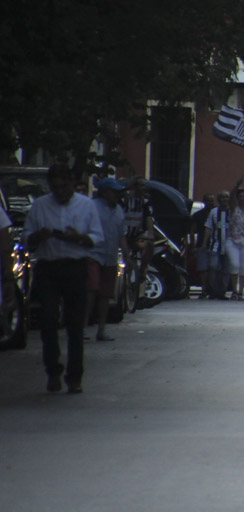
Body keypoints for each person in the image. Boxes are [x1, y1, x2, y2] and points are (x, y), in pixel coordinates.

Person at [24, 163, 104, 393]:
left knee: (75, 325)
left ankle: (75, 376)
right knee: (48, 321)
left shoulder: (86, 205)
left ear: (72, 184)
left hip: (74, 266)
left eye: (64, 186)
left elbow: (96, 238)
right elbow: (28, 239)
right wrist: (39, 236)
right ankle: (53, 371)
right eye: (55, 187)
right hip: (48, 268)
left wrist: (78, 238)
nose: (60, 191)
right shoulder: (40, 206)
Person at [86, 177, 130, 342]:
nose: (117, 195)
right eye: (114, 192)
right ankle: (83, 326)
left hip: (110, 256)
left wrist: (127, 255)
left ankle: (101, 329)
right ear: (104, 193)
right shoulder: (93, 207)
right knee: (91, 289)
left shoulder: (119, 210)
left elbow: (122, 235)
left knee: (105, 294)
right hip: (94, 254)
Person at [224, 187, 244, 300]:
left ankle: (240, 292)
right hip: (233, 240)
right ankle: (234, 290)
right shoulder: (234, 209)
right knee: (234, 264)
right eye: (240, 196)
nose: (242, 199)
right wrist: (236, 187)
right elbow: (231, 198)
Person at [199, 191, 231, 299]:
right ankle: (213, 290)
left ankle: (222, 291)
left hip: (229, 246)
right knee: (213, 267)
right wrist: (204, 243)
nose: (224, 199)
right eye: (222, 197)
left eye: (227, 197)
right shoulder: (213, 212)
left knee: (226, 269)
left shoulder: (232, 211)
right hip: (215, 245)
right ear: (219, 199)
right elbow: (208, 228)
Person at [122, 177, 155, 281]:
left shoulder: (144, 201)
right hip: (123, 234)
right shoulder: (125, 199)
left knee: (149, 244)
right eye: (141, 185)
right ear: (134, 187)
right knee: (125, 259)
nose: (144, 188)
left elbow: (148, 217)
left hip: (136, 234)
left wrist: (150, 233)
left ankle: (143, 269)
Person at [189, 193, 217, 298]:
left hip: (215, 244)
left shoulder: (217, 213)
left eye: (212, 200)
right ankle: (204, 289)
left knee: (213, 268)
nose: (211, 202)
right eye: (208, 200)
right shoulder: (198, 215)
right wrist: (193, 246)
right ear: (204, 202)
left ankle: (213, 289)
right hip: (202, 244)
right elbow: (192, 232)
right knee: (203, 269)